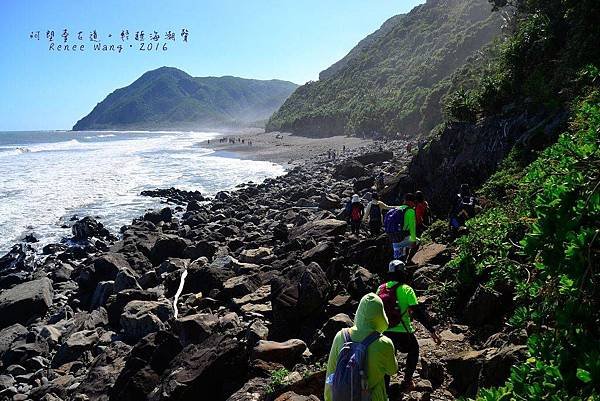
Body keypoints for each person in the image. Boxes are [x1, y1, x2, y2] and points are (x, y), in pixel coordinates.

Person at [376, 260, 441, 393]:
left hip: (384, 332)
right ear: (402, 273)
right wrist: (432, 331)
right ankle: (407, 382)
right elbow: (418, 313)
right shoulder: (406, 289)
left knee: (387, 358)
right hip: (403, 332)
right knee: (414, 349)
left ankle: (384, 389)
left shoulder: (381, 288)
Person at [325, 293, 398, 401]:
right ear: (380, 315)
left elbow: (331, 372)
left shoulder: (341, 336)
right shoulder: (384, 343)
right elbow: (392, 370)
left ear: (359, 312)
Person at [384, 193, 418, 260]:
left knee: (397, 258)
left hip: (393, 238)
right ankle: (410, 262)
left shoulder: (396, 209)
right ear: (410, 202)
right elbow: (412, 228)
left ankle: (396, 267)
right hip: (402, 237)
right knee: (418, 243)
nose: (414, 205)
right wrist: (414, 241)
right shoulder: (410, 211)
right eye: (414, 202)